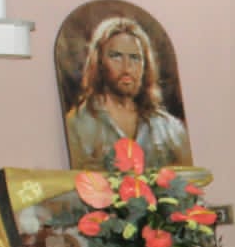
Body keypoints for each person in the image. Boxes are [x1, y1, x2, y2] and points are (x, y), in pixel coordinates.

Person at [64, 16, 192, 171]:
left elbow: (190, 180)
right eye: (116, 56)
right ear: (99, 62)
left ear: (145, 65)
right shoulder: (77, 125)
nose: (127, 67)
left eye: (135, 58)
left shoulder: (168, 128)